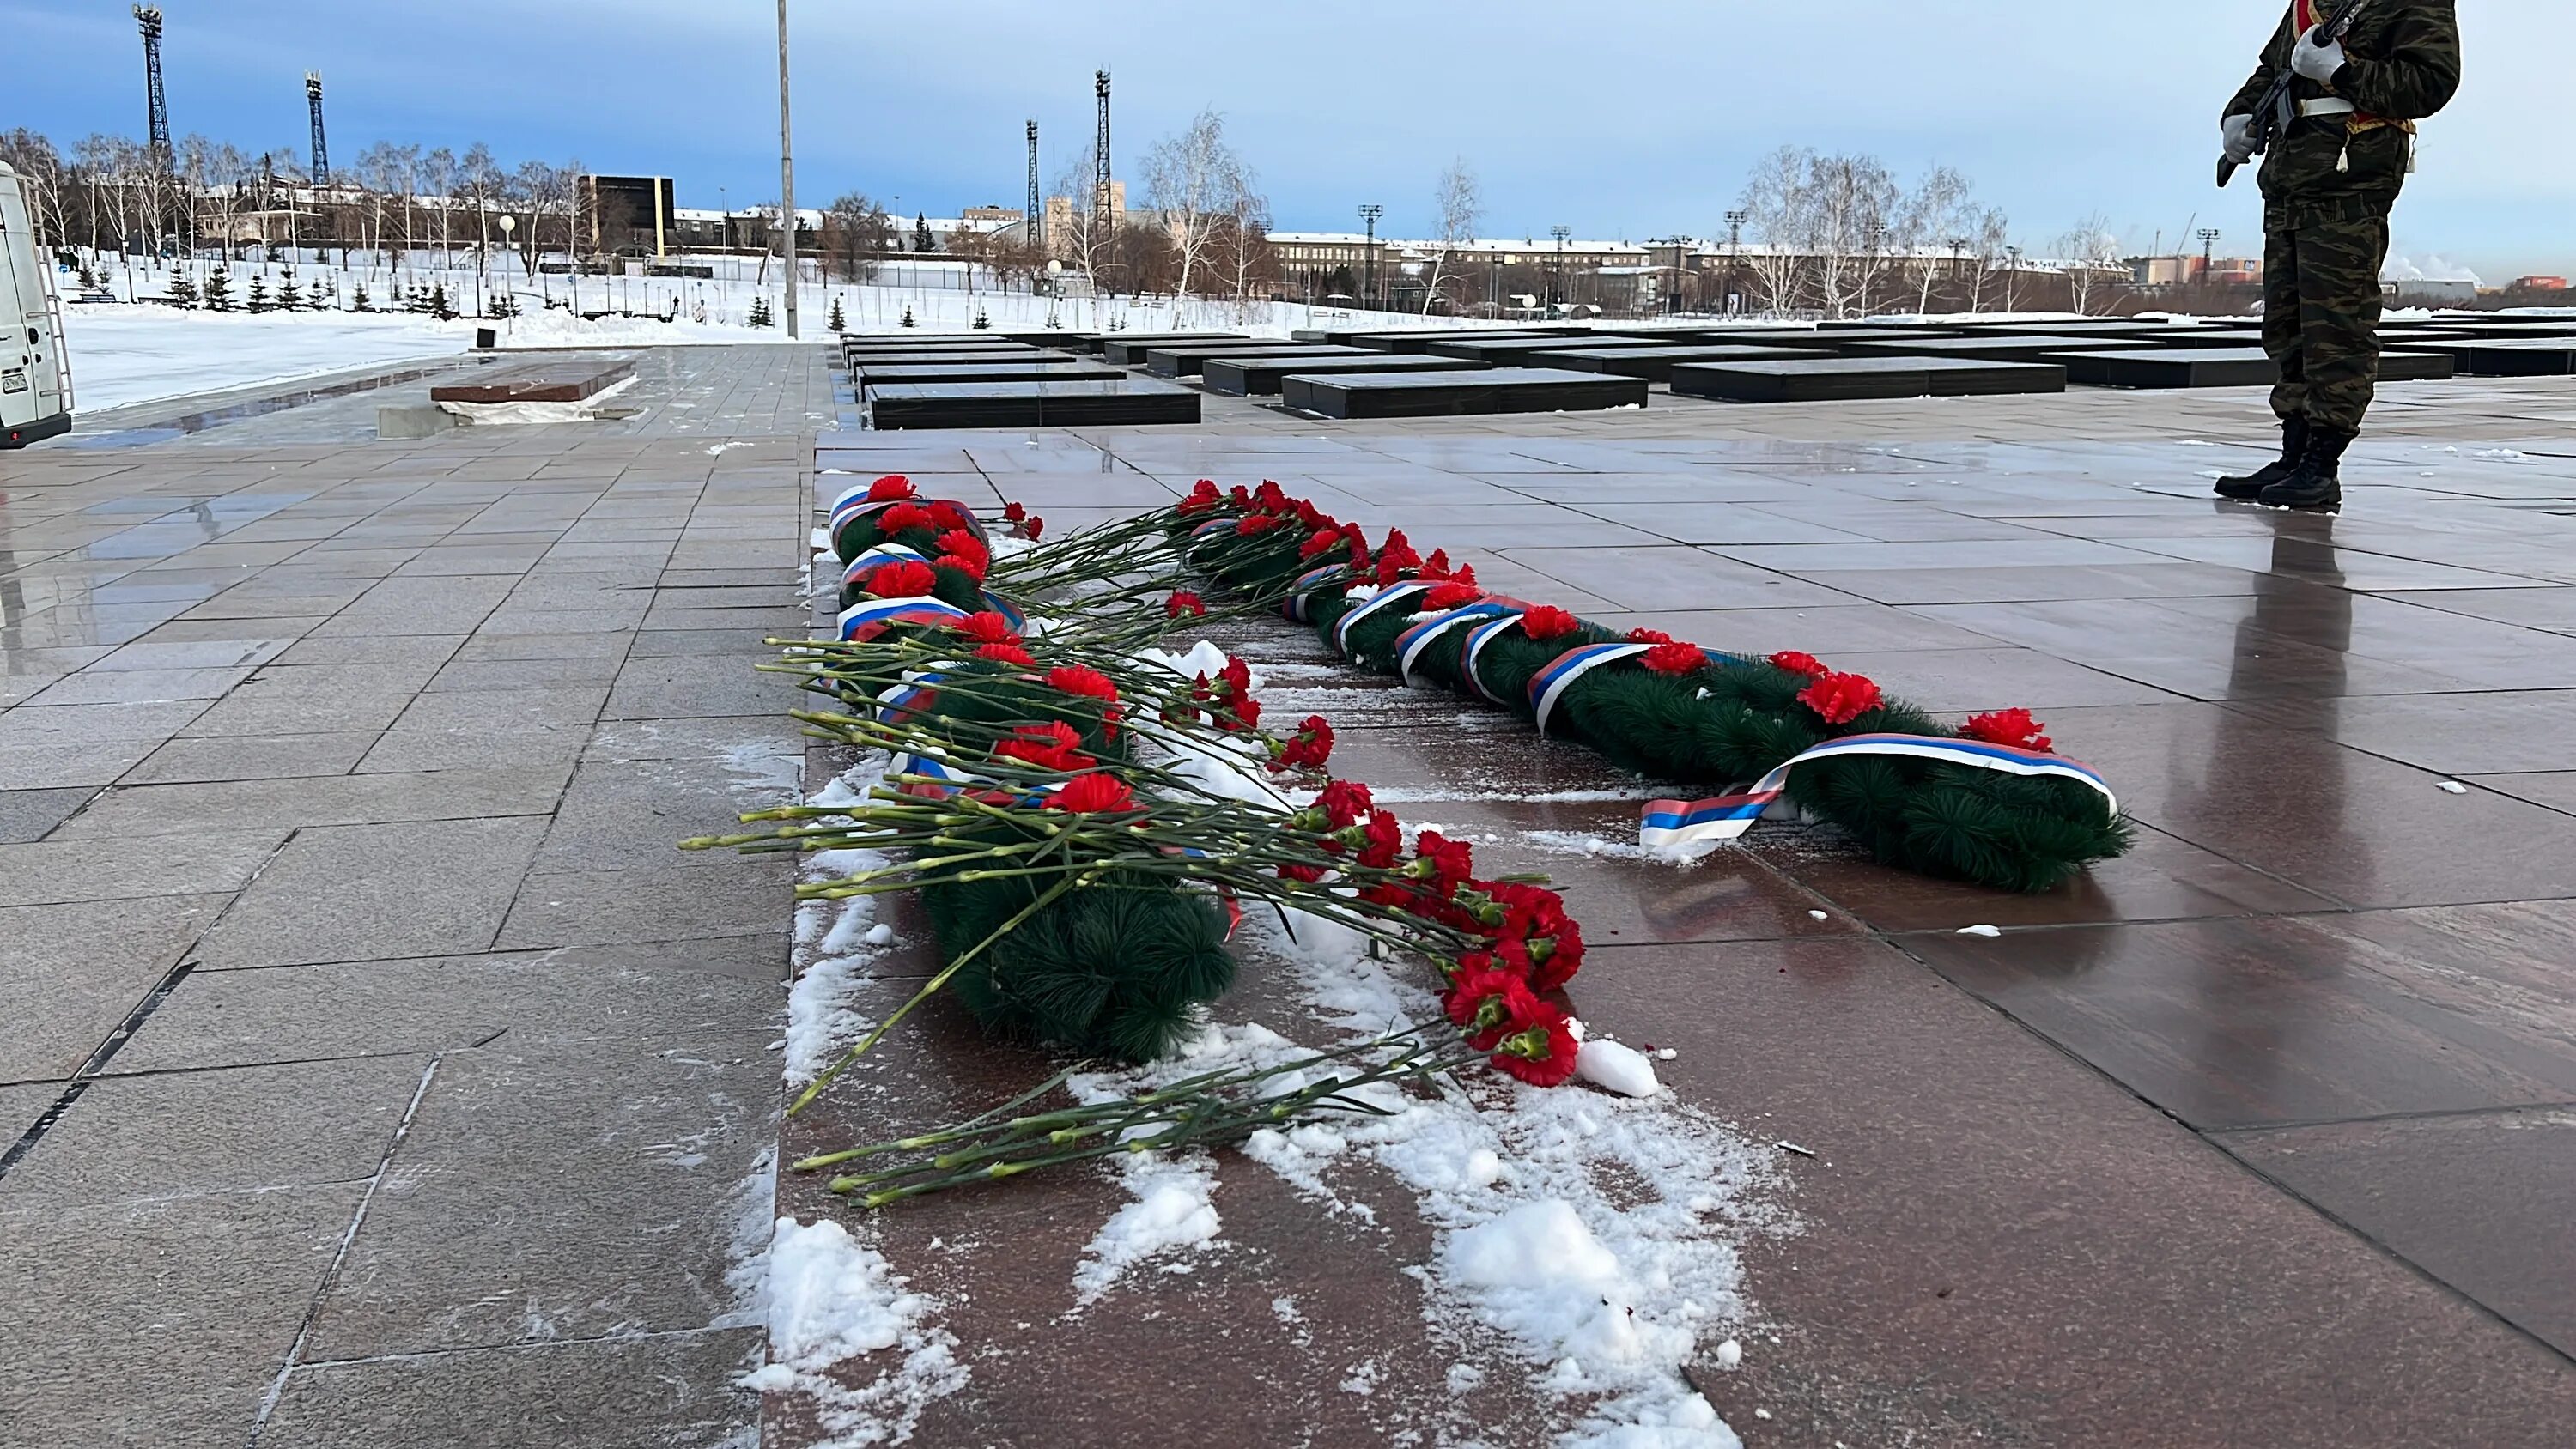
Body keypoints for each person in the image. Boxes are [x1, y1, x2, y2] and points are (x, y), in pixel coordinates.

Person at [2213, 0, 2460, 511]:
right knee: (2288, 327)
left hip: (2350, 183)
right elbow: (2272, 69)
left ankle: (2322, 466)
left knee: (2336, 327)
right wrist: (2237, 116)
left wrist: (2342, 72)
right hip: (2289, 180)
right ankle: (2294, 455)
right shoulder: (2310, 3)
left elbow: (2430, 82)